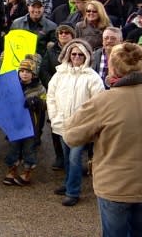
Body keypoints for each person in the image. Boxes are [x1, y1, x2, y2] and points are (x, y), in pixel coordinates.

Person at [65, 42, 142, 236]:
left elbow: (71, 135)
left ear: (112, 68)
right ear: (141, 65)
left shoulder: (104, 101)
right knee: (141, 232)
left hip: (115, 186)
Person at [46, 38, 104, 206]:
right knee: (66, 157)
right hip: (62, 124)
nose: (77, 57)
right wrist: (55, 117)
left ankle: (73, 191)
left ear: (86, 56)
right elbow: (51, 96)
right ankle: (67, 183)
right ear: (68, 55)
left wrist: (87, 124)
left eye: (80, 54)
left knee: (74, 158)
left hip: (81, 127)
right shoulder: (60, 74)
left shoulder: (93, 78)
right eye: (73, 54)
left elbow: (98, 103)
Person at [2, 54, 45, 186]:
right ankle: (12, 169)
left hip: (30, 126)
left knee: (29, 149)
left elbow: (45, 103)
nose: (24, 74)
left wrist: (36, 101)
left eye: (28, 72)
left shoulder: (39, 88)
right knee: (13, 148)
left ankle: (27, 172)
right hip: (14, 125)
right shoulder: (12, 86)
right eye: (22, 71)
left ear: (33, 74)